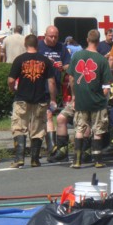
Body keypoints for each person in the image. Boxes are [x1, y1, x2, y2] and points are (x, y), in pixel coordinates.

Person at [7, 34, 57, 168]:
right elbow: (51, 81)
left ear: (25, 44)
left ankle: (19, 159)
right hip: (40, 100)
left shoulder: (19, 60)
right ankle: (35, 159)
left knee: (19, 127)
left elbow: (11, 80)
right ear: (37, 45)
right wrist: (53, 99)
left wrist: (12, 89)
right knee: (38, 129)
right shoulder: (45, 61)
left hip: (22, 98)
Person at [64, 29, 112, 169]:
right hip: (97, 101)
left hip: (81, 100)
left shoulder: (77, 56)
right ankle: (97, 160)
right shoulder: (102, 59)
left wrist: (74, 95)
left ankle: (77, 161)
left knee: (79, 128)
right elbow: (106, 84)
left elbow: (71, 78)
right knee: (98, 130)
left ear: (87, 39)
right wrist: (104, 95)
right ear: (98, 41)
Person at [38, 25, 71, 155]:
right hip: (40, 85)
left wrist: (62, 66)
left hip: (54, 86)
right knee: (48, 115)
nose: (53, 39)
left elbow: (69, 65)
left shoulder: (61, 47)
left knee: (49, 115)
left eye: (56, 37)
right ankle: (51, 145)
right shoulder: (39, 46)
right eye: (51, 36)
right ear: (45, 35)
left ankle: (51, 145)